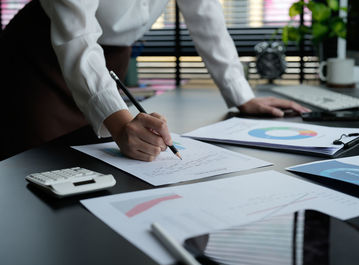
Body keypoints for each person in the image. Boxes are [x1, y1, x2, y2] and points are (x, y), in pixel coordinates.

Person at [0, 0, 310, 161]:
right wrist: (120, 123)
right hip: (38, 61)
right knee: (37, 168)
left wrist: (242, 95)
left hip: (108, 62)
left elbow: (205, 15)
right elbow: (77, 38)